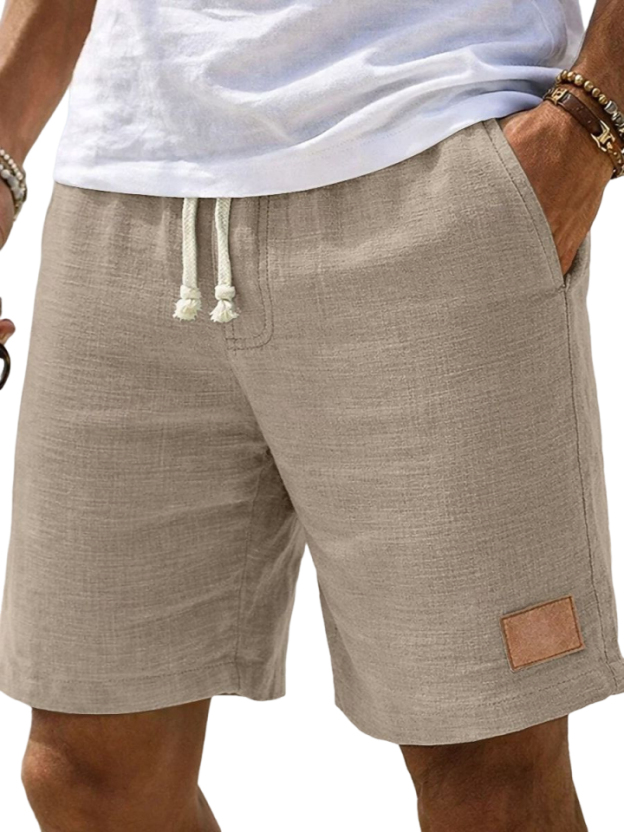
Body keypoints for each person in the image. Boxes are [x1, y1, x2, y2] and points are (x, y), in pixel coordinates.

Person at [0, 1, 623, 829]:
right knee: (85, 773)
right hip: (123, 193)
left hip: (429, 159)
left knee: (488, 781)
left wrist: (590, 120)